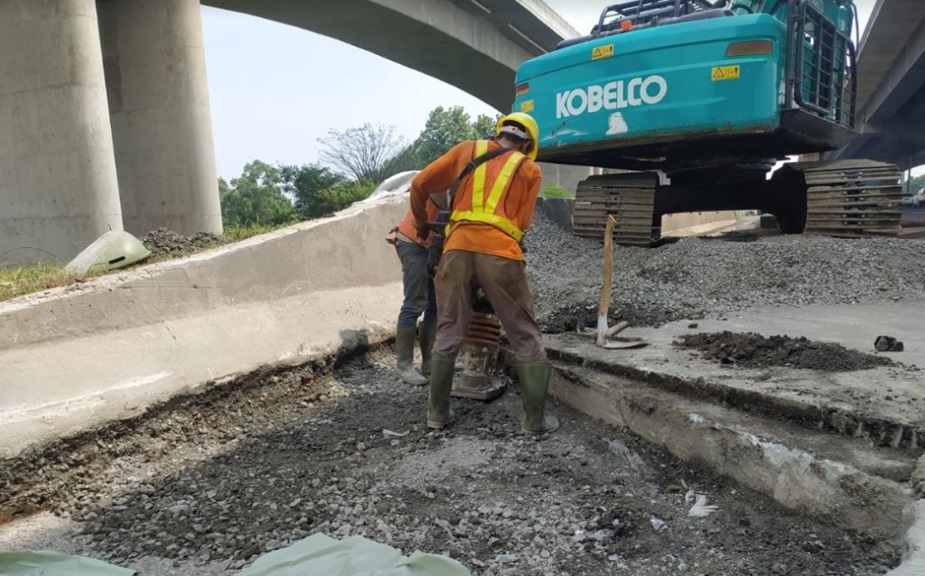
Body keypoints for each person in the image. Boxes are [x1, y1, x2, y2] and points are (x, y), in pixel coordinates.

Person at [408, 112, 559, 435]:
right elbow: (523, 223)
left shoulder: (467, 149)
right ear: (528, 144)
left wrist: (421, 224)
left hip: (456, 249)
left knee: (449, 329)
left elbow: (419, 184)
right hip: (501, 253)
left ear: (499, 133)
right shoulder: (529, 169)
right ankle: (534, 422)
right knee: (524, 334)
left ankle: (437, 414)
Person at [387, 199, 440, 385]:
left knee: (435, 303)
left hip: (433, 246)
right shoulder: (446, 185)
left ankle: (430, 362)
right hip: (413, 243)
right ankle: (404, 366)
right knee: (415, 302)